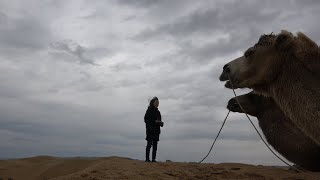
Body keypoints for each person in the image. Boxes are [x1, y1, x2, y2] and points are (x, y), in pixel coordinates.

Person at [144, 97, 164, 162]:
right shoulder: (149, 110)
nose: (157, 104)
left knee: (155, 146)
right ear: (152, 103)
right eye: (156, 102)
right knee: (149, 144)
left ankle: (153, 159)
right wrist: (154, 121)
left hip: (156, 131)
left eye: (158, 103)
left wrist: (161, 123)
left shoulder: (158, 112)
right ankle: (147, 159)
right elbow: (146, 120)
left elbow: (160, 122)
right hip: (150, 130)